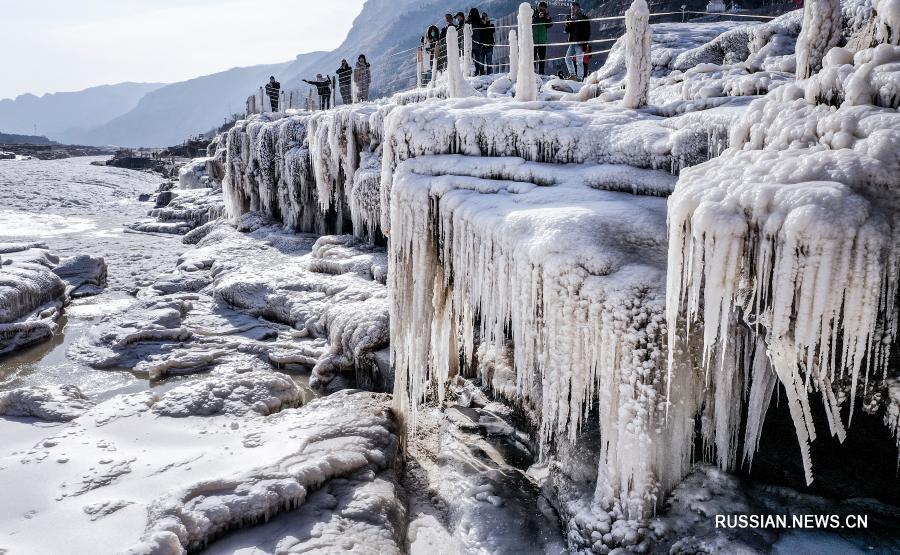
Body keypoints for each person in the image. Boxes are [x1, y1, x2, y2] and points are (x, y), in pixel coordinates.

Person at [564, 2, 591, 80]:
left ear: (578, 8)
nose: (572, 10)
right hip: (572, 42)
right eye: (572, 8)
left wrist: (585, 44)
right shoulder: (570, 18)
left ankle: (579, 78)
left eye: (574, 8)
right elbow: (566, 30)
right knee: (567, 59)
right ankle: (572, 75)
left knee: (579, 61)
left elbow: (587, 32)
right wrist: (568, 23)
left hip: (580, 42)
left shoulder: (584, 18)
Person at [532, 2, 553, 75]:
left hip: (542, 39)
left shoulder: (545, 15)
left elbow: (550, 25)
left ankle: (541, 73)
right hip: (533, 40)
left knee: (542, 58)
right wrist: (538, 17)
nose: (542, 10)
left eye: (544, 9)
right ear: (538, 7)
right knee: (533, 57)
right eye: (541, 8)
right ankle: (533, 72)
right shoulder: (533, 13)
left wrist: (548, 19)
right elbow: (530, 22)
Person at [467, 8, 485, 75]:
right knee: (477, 60)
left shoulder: (468, 21)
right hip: (478, 43)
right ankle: (477, 72)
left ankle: (472, 73)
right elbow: (483, 33)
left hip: (470, 43)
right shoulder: (480, 22)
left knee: (471, 59)